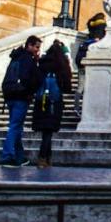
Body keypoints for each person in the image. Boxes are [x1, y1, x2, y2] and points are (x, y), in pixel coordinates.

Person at [0, 35, 42, 168]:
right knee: (15, 126)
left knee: (16, 126)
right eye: (36, 47)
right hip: (21, 96)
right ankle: (7, 156)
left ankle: (19, 156)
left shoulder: (16, 57)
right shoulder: (28, 59)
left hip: (10, 95)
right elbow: (34, 79)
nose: (37, 50)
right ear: (29, 45)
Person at [32, 39, 72, 168]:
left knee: (46, 131)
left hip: (41, 100)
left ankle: (48, 158)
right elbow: (67, 86)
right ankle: (43, 158)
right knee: (49, 131)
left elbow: (36, 80)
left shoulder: (42, 63)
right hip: (55, 102)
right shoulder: (62, 64)